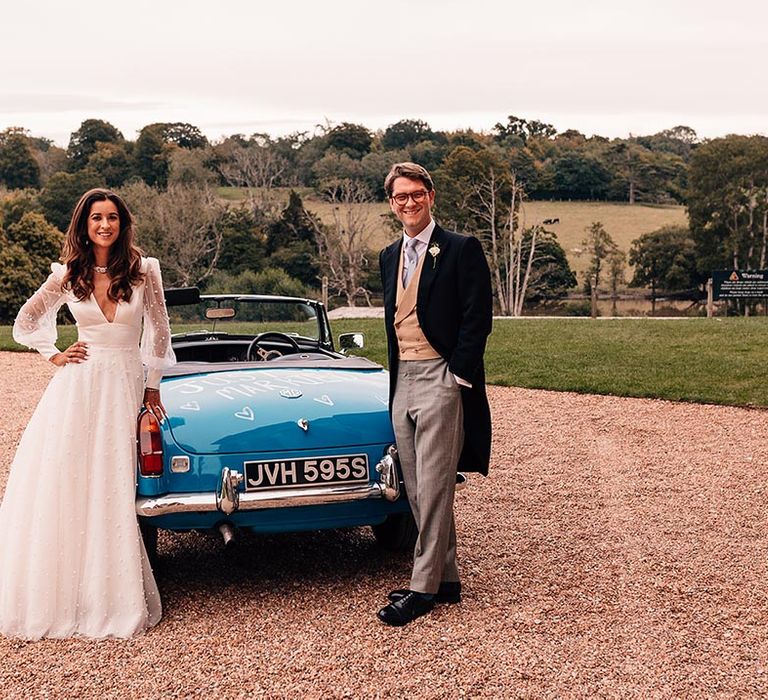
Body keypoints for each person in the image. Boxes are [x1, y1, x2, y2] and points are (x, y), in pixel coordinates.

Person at [0, 188, 176, 639]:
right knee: (74, 481)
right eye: (96, 218)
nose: (104, 225)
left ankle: (113, 594)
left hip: (126, 385)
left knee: (116, 481)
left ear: (123, 223)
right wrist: (54, 354)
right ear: (84, 224)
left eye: (112, 217)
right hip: (79, 387)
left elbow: (158, 332)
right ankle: (70, 595)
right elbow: (25, 320)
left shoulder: (144, 270)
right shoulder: (68, 274)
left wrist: (152, 387)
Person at [377, 162, 493, 626]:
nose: (409, 202)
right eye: (400, 196)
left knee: (436, 482)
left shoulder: (461, 249)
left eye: (416, 194)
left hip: (442, 377)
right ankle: (446, 578)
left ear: (431, 195)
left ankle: (421, 589)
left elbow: (477, 317)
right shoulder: (389, 255)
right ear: (392, 203)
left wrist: (458, 376)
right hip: (402, 376)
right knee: (417, 485)